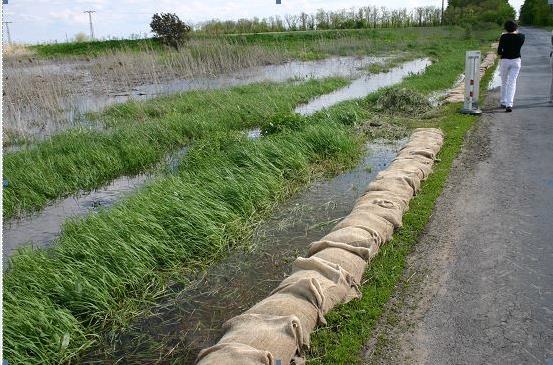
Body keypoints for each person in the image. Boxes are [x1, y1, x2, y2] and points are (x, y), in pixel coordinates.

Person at [497, 20, 525, 112]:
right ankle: (509, 104)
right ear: (516, 27)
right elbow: (518, 34)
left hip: (505, 60)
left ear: (505, 28)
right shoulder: (521, 37)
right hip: (516, 61)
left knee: (504, 82)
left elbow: (499, 52)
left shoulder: (503, 36)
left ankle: (503, 101)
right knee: (512, 83)